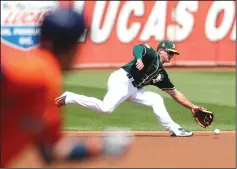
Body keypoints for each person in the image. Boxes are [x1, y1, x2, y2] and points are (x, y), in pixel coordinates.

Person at [1, 8, 132, 168]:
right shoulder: (40, 68)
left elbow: (52, 151)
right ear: (71, 47)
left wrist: (99, 146)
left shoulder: (48, 89)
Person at [55, 40, 205, 137]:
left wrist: (192, 107)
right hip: (122, 80)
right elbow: (138, 47)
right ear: (161, 50)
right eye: (169, 52)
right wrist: (139, 58)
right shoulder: (152, 55)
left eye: (173, 54)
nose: (171, 56)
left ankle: (173, 128)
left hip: (133, 89)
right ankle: (69, 97)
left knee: (156, 99)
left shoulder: (161, 74)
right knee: (106, 108)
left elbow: (174, 93)